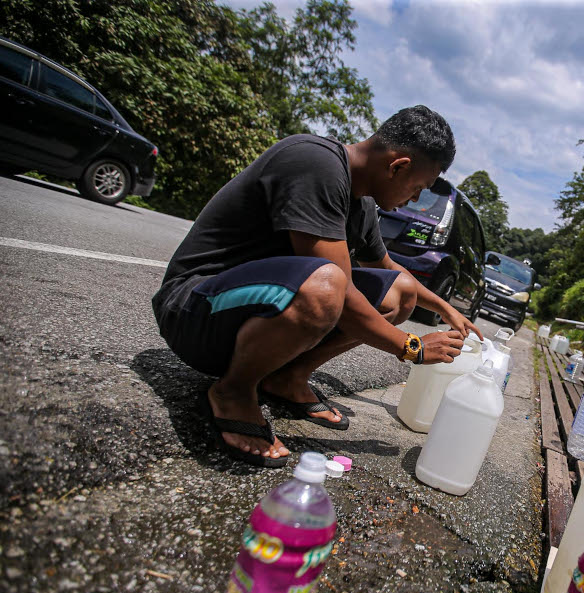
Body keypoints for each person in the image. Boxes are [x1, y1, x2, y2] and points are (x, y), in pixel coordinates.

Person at [152, 105, 481, 468]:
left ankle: (287, 377)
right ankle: (233, 391)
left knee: (400, 290)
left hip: (245, 316)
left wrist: (444, 308)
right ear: (397, 165)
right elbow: (337, 293)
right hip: (194, 309)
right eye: (417, 188)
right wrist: (411, 346)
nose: (414, 199)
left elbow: (388, 269)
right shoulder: (315, 162)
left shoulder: (364, 205)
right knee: (326, 286)